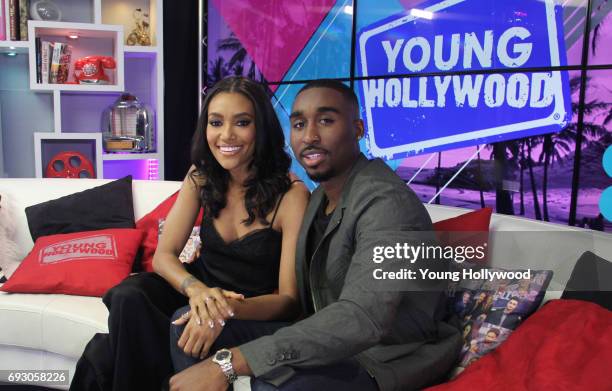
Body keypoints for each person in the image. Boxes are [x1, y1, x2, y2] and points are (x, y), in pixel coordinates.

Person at [168, 79, 462, 391]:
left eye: (326, 120)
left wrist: (230, 362)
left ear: (358, 129)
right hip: (323, 338)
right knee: (187, 326)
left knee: (272, 388)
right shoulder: (322, 196)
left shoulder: (387, 204)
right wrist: (219, 308)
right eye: (299, 124)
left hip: (381, 355)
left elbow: (362, 318)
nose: (309, 136)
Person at [70, 76, 309, 391]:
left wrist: (224, 307)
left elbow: (289, 301)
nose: (226, 135)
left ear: (261, 128)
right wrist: (197, 290)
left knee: (129, 343)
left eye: (242, 122)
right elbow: (164, 256)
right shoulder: (201, 177)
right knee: (130, 295)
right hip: (201, 288)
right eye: (215, 122)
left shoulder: (291, 195)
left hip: (250, 305)